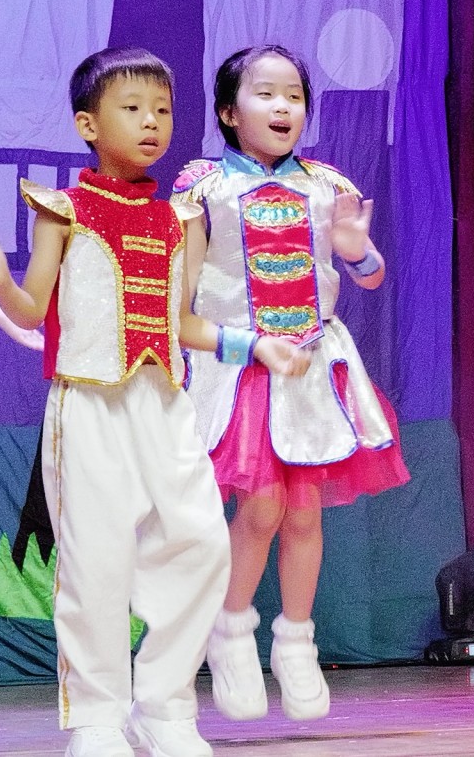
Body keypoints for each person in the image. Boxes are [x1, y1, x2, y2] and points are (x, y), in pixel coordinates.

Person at [0, 46, 308, 757]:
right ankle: (97, 717)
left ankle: (165, 706)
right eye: (132, 108)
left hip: (165, 404)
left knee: (202, 543)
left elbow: (184, 323)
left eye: (163, 110)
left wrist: (253, 345)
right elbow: (31, 310)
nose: (152, 123)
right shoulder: (63, 210)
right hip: (89, 403)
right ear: (87, 124)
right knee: (96, 560)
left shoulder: (178, 218)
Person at [173, 45, 409, 722]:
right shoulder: (203, 189)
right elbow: (180, 298)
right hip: (242, 365)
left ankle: (296, 642)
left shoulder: (326, 186)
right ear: (228, 112)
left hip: (311, 363)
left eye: (294, 96)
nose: (283, 107)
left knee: (305, 511)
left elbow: (370, 275)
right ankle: (230, 629)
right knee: (262, 507)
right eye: (266, 94)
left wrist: (356, 250)